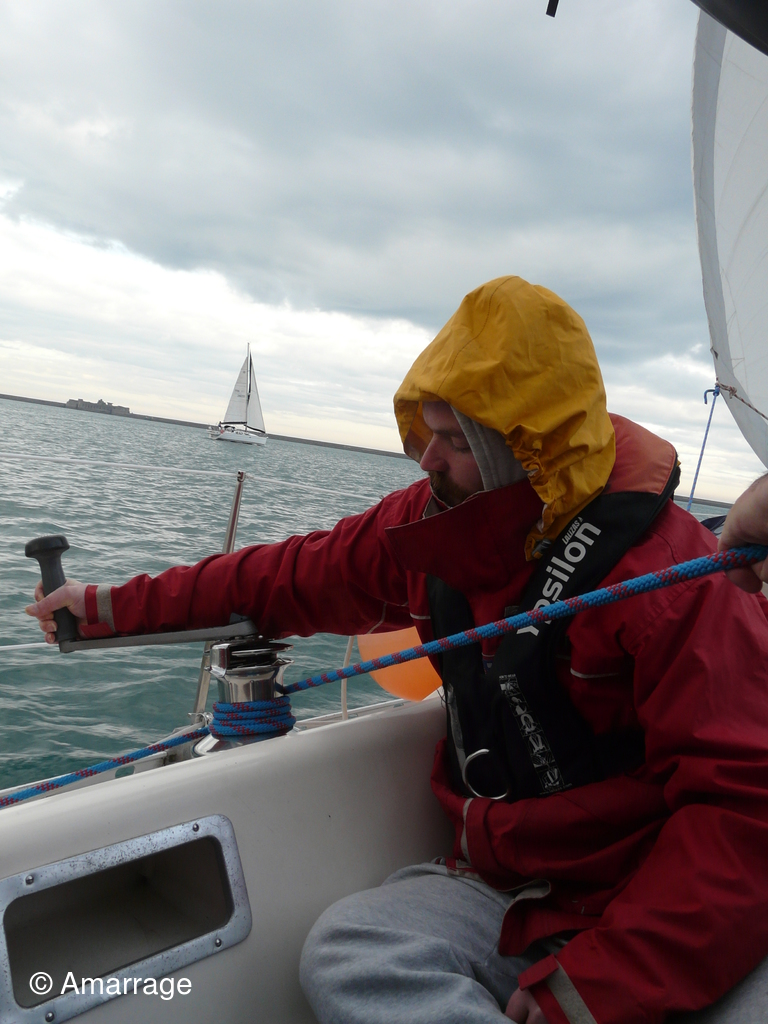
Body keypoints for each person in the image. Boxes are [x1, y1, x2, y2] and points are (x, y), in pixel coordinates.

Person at [27, 277, 768, 1024]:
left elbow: (745, 809)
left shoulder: (674, 581)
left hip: (649, 888)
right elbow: (283, 578)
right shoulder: (431, 525)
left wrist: (591, 991)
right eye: (427, 432)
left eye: (457, 442)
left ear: (527, 452)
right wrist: (106, 609)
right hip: (504, 884)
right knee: (353, 955)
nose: (427, 460)